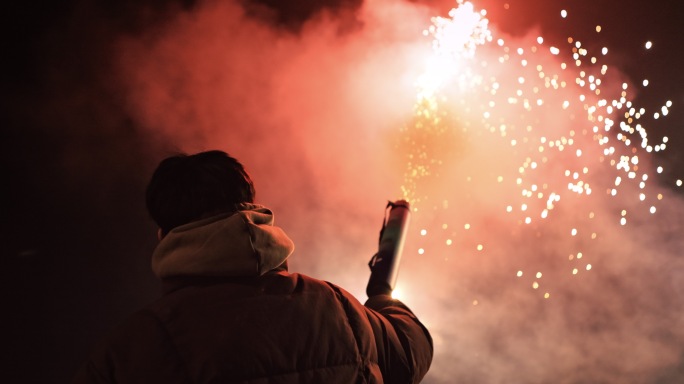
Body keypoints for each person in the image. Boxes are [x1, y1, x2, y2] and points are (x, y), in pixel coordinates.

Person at [73, 150, 433, 383]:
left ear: (164, 234)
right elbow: (411, 351)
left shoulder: (130, 350)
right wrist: (382, 295)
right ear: (251, 210)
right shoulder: (337, 307)